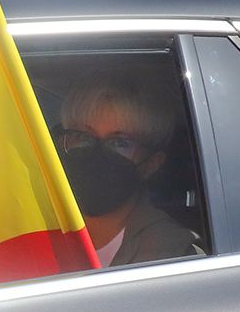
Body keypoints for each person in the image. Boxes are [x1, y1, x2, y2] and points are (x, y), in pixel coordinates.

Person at [56, 69, 204, 267]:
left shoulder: (172, 257)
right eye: (84, 137)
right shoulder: (35, 225)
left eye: (120, 143)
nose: (97, 154)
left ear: (152, 163)